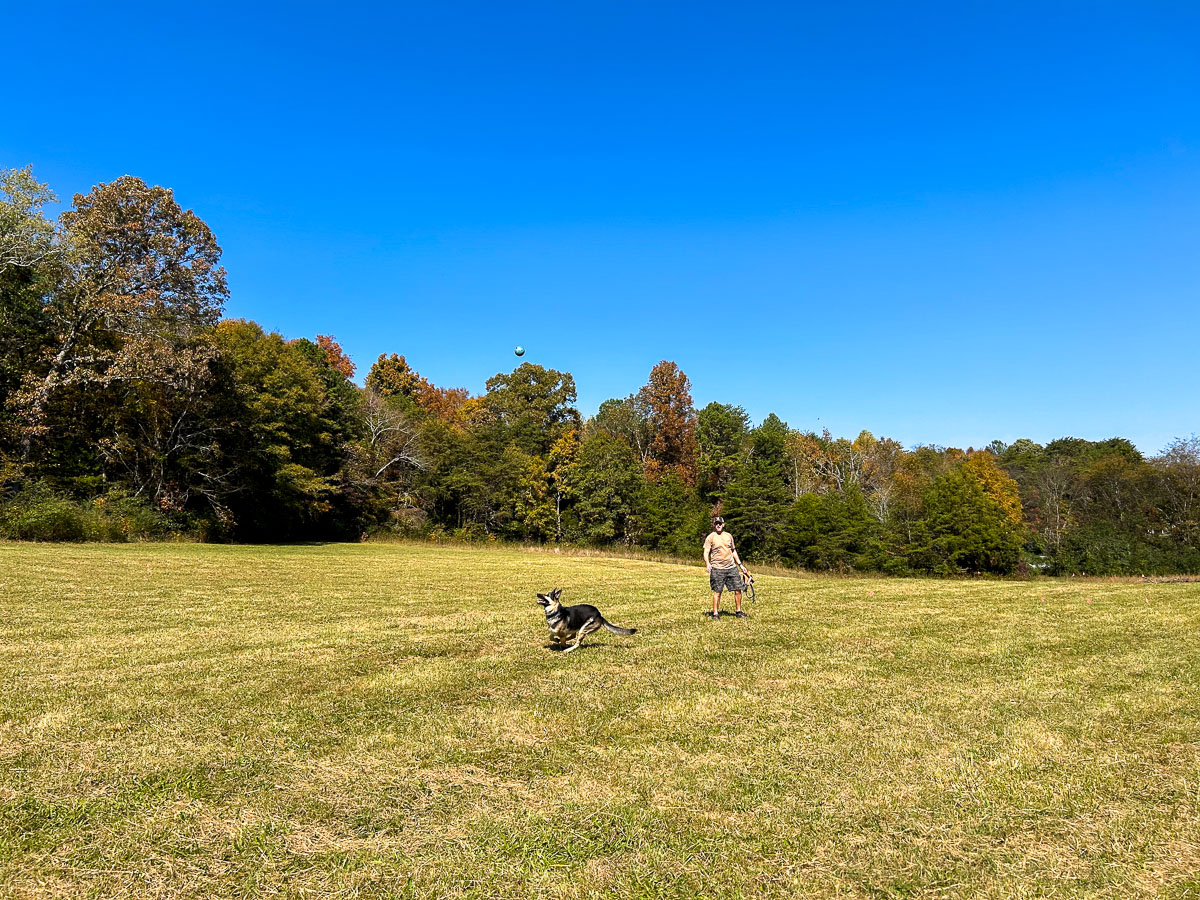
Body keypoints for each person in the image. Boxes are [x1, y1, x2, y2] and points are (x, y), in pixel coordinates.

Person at [703, 516, 750, 618]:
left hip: (731, 567)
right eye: (716, 523)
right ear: (714, 525)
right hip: (717, 568)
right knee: (717, 591)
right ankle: (715, 613)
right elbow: (706, 552)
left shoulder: (729, 536)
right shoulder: (710, 537)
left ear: (723, 525)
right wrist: (707, 563)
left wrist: (740, 565)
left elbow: (733, 551)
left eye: (720, 523)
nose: (718, 525)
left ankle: (738, 611)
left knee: (738, 589)